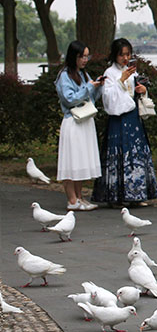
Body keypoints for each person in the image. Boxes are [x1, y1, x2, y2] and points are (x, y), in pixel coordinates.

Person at [92, 39, 157, 207]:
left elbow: (135, 91)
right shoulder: (110, 72)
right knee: (119, 154)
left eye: (128, 54)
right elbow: (107, 98)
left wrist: (142, 90)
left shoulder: (131, 72)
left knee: (135, 153)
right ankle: (116, 195)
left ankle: (137, 193)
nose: (125, 58)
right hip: (118, 118)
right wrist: (121, 81)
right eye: (122, 54)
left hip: (133, 116)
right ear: (115, 55)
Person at [55, 40, 103, 211]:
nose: (85, 59)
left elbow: (90, 98)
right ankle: (72, 199)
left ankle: (80, 197)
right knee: (70, 160)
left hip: (84, 120)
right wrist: (89, 87)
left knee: (80, 160)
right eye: (82, 56)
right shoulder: (64, 76)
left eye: (86, 56)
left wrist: (97, 86)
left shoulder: (82, 74)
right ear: (73, 56)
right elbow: (70, 99)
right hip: (73, 121)